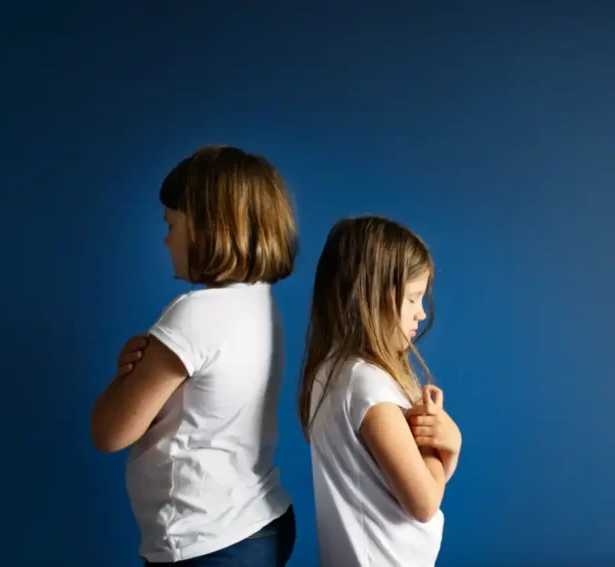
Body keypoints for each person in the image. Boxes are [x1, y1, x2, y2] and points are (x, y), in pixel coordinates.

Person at [91, 145, 298, 565]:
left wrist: (122, 381)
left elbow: (110, 433)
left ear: (207, 227)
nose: (165, 238)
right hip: (260, 523)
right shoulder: (260, 303)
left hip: (207, 541)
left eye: (171, 224)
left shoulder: (193, 314)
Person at [297, 216, 462, 567]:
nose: (421, 313)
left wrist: (439, 452)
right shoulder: (367, 386)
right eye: (413, 298)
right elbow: (424, 503)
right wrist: (440, 445)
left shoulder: (334, 372)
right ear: (372, 298)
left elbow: (401, 485)